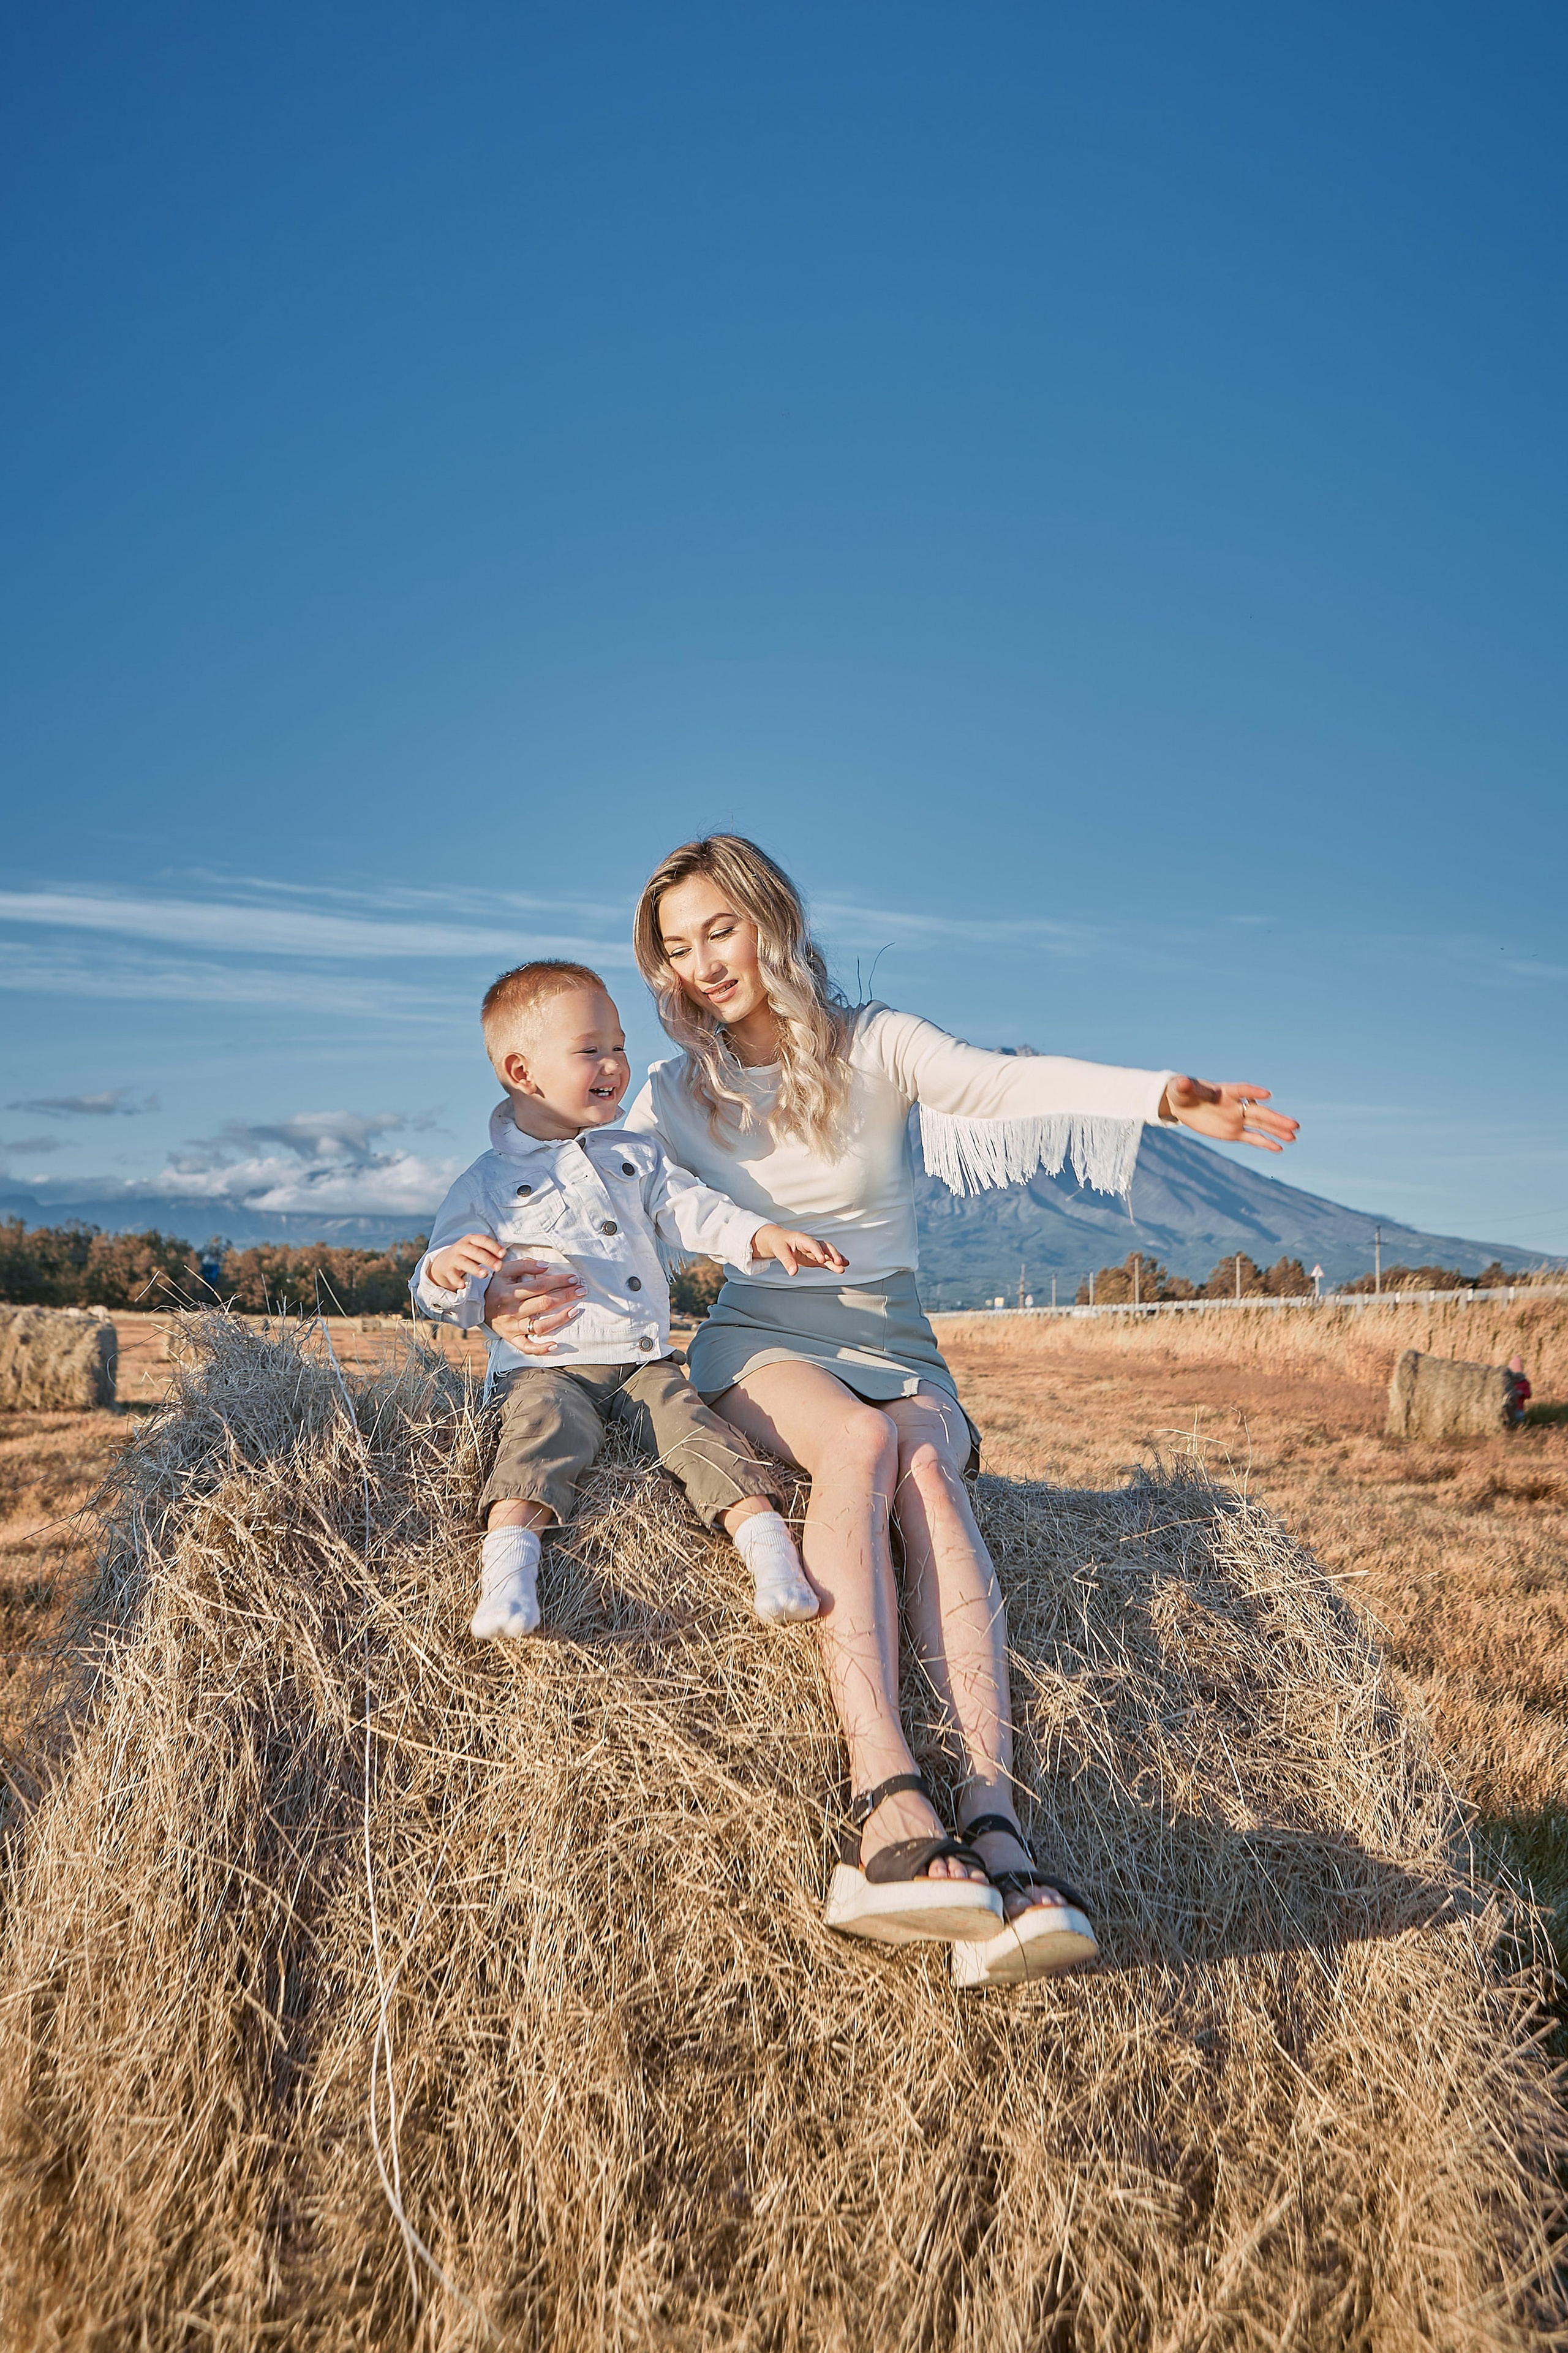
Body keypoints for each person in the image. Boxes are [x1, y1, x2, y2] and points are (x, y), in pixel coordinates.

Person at [485, 841, 1299, 1987]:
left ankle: (995, 1820)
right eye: (676, 946)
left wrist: (1159, 1095)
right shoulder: (670, 1094)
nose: (703, 961)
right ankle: (886, 1804)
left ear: (772, 919)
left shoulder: (878, 1045)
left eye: (721, 928)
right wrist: (508, 1279)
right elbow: (550, 1160)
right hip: (761, 1338)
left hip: (898, 1334)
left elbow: (1007, 1083)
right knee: (862, 1443)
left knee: (927, 1465)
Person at [411, 959, 845, 1637]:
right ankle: (506, 1582)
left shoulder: (634, 1156)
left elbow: (692, 1208)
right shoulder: (484, 1181)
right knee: (535, 1441)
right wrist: (449, 1275)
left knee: (700, 1434)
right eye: (592, 1050)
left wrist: (759, 1234)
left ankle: (774, 1564)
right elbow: (435, 1280)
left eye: (618, 1046)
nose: (615, 1062)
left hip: (645, 1364)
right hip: (545, 1368)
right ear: (523, 1073)